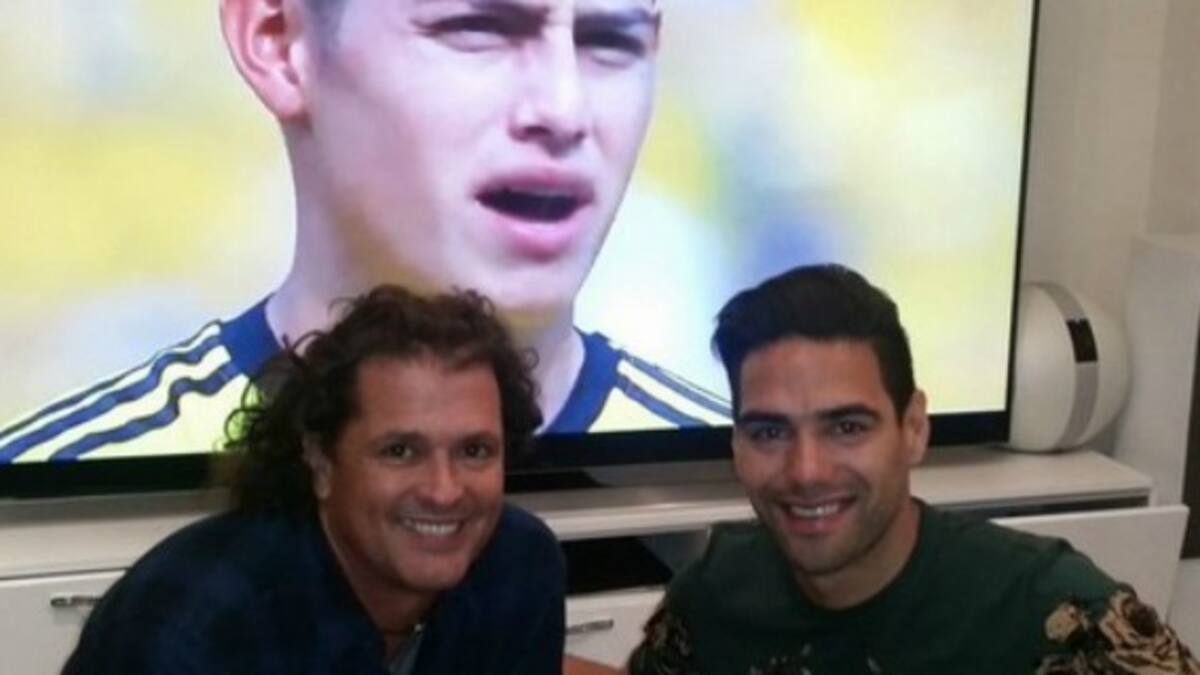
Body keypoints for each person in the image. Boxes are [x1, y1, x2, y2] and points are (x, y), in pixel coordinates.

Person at [0, 0, 728, 464]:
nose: (564, 109)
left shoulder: (735, 488)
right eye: (477, 29)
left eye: (610, 40)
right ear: (277, 41)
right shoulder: (52, 486)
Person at [625, 264, 1200, 674]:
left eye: (847, 427)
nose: (806, 471)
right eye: (769, 433)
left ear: (914, 429)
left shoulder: (1054, 615)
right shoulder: (712, 598)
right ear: (737, 446)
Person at [61, 286, 565, 674]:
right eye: (400, 452)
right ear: (321, 462)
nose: (444, 490)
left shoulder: (519, 565)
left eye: (474, 451)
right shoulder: (193, 622)